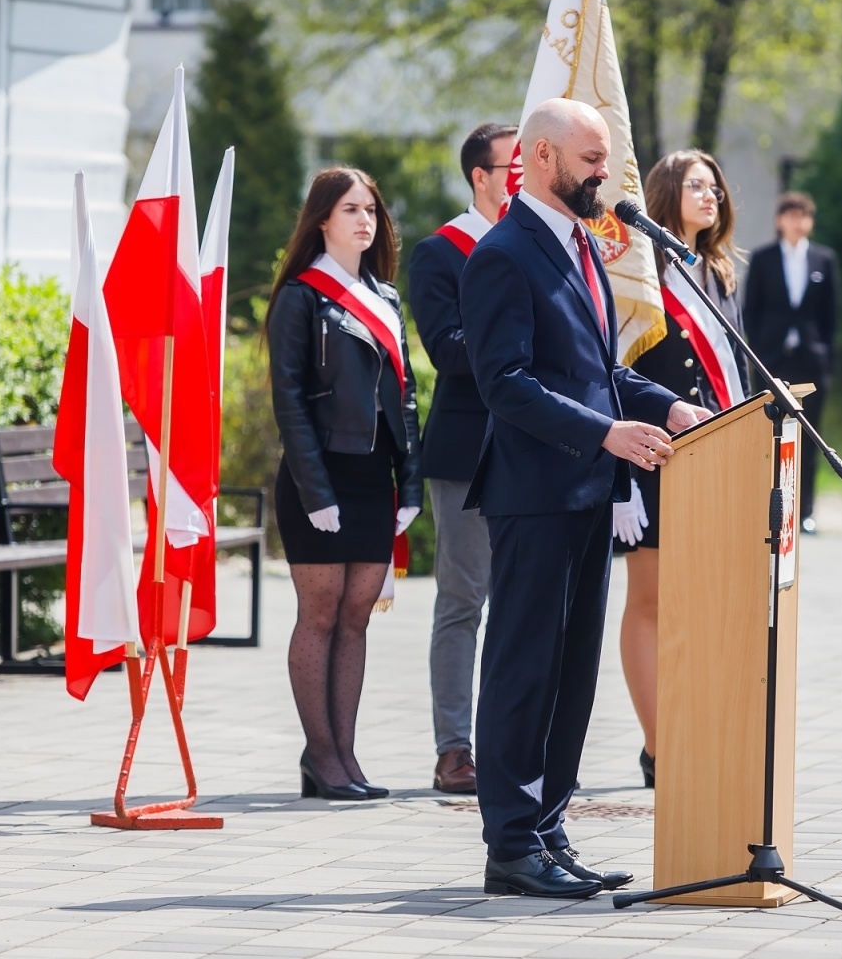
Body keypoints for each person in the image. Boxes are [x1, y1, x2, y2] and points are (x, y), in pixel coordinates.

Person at [460, 98, 712, 899]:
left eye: (605, 159)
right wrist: (606, 433)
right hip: (535, 493)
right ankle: (509, 842)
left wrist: (662, 404)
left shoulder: (580, 246)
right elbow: (507, 386)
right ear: (537, 156)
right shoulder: (505, 252)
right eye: (591, 159)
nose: (606, 173)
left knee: (571, 675)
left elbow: (596, 371)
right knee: (522, 670)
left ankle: (549, 829)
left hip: (585, 491)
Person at [268, 166, 423, 802]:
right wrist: (316, 491)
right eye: (351, 209)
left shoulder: (384, 297)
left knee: (357, 619)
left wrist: (409, 483)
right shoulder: (301, 298)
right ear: (323, 219)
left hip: (373, 478)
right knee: (322, 613)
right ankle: (321, 757)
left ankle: (346, 756)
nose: (366, 220)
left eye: (372, 210)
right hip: (320, 477)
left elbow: (405, 399)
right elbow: (291, 403)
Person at [614, 149, 748, 790]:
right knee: (651, 599)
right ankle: (656, 745)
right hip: (656, 452)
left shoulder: (717, 270)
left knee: (699, 601)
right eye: (697, 186)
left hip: (719, 452)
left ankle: (694, 728)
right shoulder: (642, 271)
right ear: (667, 192)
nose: (711, 197)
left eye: (716, 188)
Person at [408, 121, 517, 795]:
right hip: (469, 451)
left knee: (522, 603)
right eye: (513, 167)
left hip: (536, 449)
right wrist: (514, 339)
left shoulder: (543, 243)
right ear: (480, 176)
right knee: (462, 601)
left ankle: (512, 740)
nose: (524, 179)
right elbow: (447, 351)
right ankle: (455, 748)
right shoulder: (440, 252)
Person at [742, 191, 841, 533]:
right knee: (769, 436)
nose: (798, 222)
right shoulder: (764, 258)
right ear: (779, 220)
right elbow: (750, 310)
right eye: (791, 215)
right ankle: (765, 509)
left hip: (809, 361)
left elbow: (831, 316)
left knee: (810, 438)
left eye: (804, 216)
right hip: (771, 360)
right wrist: (757, 352)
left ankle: (805, 512)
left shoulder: (823, 259)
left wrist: (826, 357)